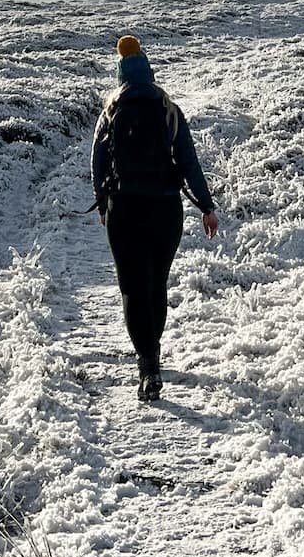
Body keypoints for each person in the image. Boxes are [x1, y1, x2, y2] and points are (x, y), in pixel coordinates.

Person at [91, 34, 219, 401]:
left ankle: (147, 363)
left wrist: (103, 205)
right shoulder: (168, 107)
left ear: (120, 72)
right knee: (156, 283)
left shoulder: (111, 109)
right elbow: (189, 164)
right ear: (148, 68)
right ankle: (153, 352)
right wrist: (207, 208)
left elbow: (98, 165)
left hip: (124, 209)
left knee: (132, 286)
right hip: (165, 209)